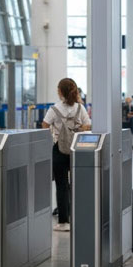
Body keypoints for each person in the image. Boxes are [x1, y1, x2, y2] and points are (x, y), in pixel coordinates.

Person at [42, 78, 92, 231]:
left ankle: (64, 221)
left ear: (61, 92)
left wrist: (54, 135)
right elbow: (88, 125)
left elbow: (45, 125)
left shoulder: (54, 109)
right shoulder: (80, 108)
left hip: (59, 149)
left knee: (61, 185)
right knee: (79, 183)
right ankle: (81, 216)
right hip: (77, 148)